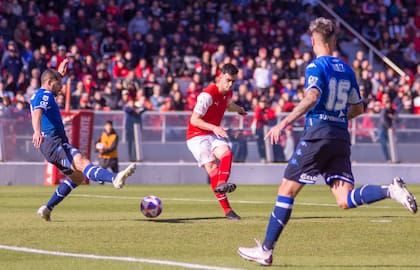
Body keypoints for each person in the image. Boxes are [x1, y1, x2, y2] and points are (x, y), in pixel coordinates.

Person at [237, 17, 417, 266]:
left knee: (286, 190)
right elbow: (357, 108)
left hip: (318, 134)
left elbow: (312, 96)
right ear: (334, 41)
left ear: (313, 41)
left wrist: (283, 122)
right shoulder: (347, 69)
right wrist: (339, 114)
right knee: (344, 199)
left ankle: (266, 250)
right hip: (340, 136)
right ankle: (390, 190)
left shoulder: (315, 66)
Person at [30, 58, 136, 221]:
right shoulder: (45, 94)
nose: (61, 87)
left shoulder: (40, 93)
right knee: (82, 161)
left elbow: (44, 105)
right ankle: (113, 178)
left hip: (50, 145)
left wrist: (59, 73)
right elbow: (37, 112)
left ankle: (47, 208)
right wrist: (37, 131)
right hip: (54, 142)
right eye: (59, 83)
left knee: (77, 177)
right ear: (50, 83)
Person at [186, 63, 247, 220]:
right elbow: (194, 120)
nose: (230, 84)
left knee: (227, 153)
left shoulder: (227, 93)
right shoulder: (206, 95)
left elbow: (228, 105)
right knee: (212, 167)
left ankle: (221, 183)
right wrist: (214, 128)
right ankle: (227, 210)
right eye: (228, 80)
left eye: (233, 81)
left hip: (211, 132)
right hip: (196, 136)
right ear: (220, 77)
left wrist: (239, 109)